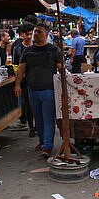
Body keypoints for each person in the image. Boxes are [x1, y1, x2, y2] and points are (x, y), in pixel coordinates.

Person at [15, 23, 63, 158]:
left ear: (46, 35)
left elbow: (60, 68)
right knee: (38, 119)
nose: (36, 34)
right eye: (35, 31)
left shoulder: (54, 50)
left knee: (48, 119)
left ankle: (47, 146)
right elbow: (21, 69)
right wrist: (17, 85)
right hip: (32, 90)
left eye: (39, 32)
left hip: (48, 90)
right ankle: (42, 141)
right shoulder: (28, 51)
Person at [10, 23, 35, 137]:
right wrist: (18, 82)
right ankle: (31, 127)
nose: (29, 36)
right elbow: (15, 65)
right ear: (22, 35)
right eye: (27, 34)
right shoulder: (18, 48)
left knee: (36, 105)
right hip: (24, 81)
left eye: (31, 34)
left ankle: (38, 126)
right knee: (28, 104)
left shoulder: (36, 46)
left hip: (36, 80)